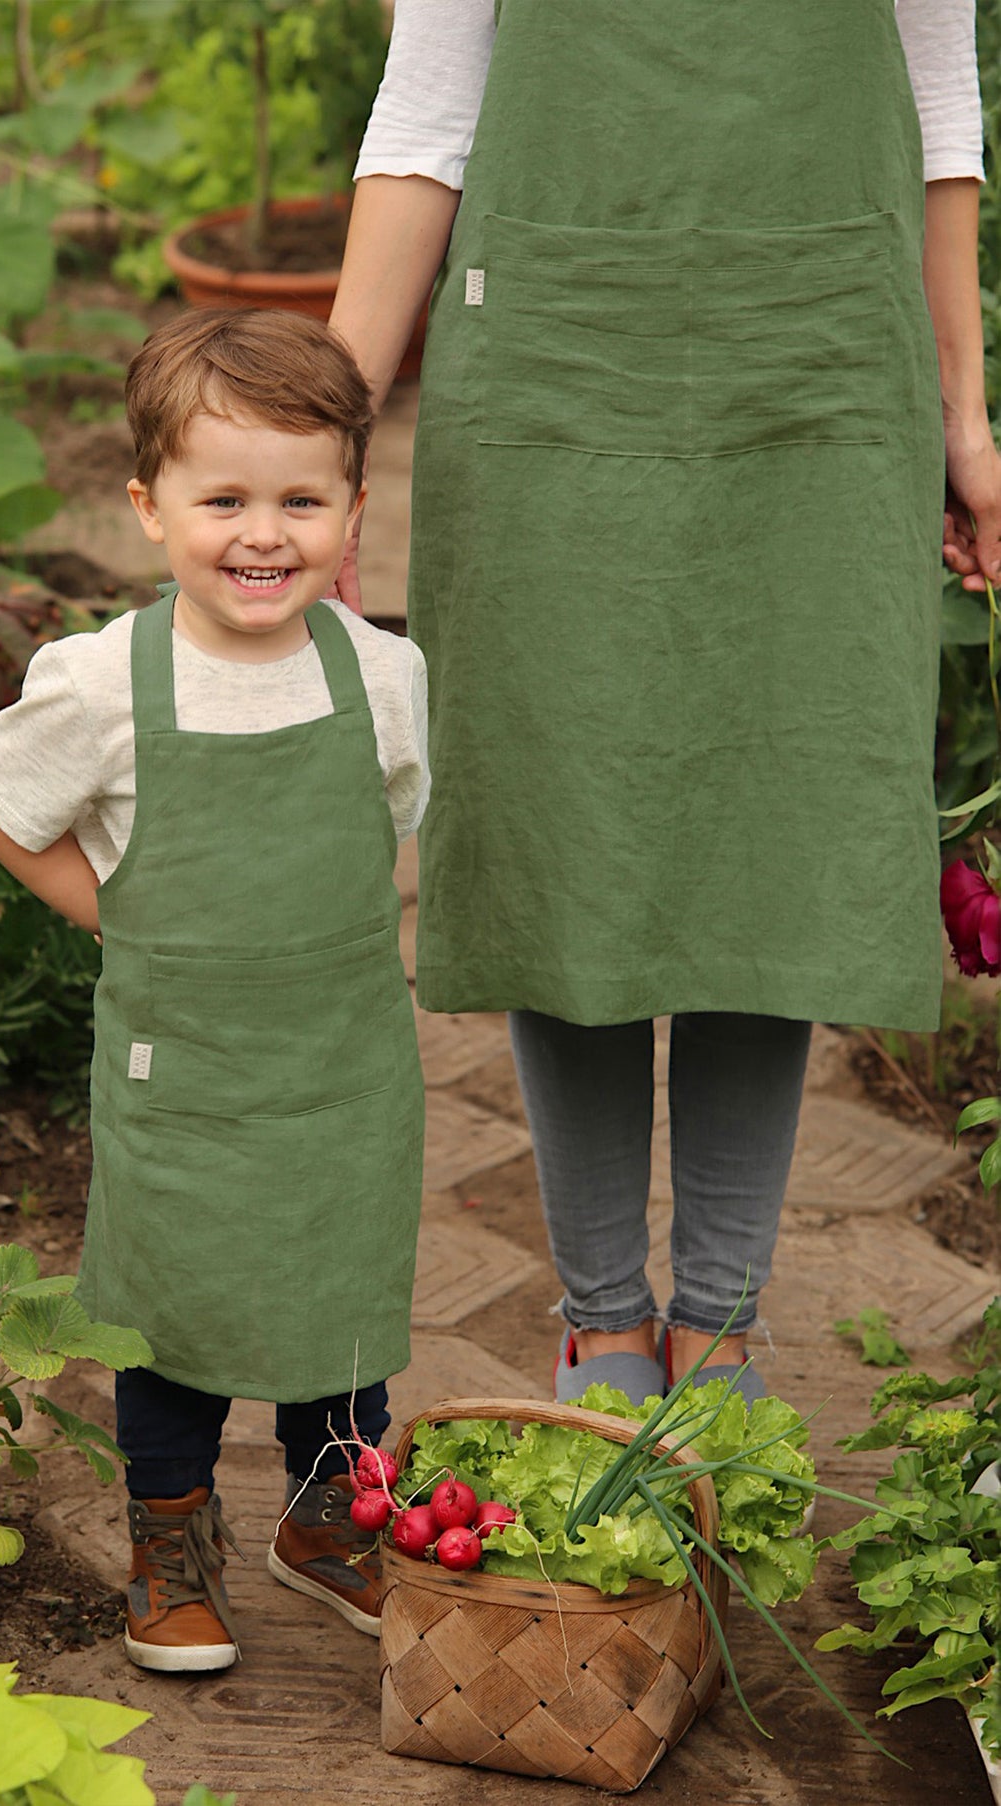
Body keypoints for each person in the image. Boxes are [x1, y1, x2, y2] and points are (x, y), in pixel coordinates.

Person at [329, 1, 1001, 1406]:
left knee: (769, 836)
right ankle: (601, 1322)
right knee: (564, 823)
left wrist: (961, 414)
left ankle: (719, 1323)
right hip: (555, 371)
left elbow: (938, 109)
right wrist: (323, 434)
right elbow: (426, 116)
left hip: (815, 380)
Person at [0, 309, 428, 1673]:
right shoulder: (105, 682)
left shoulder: (382, 677)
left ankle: (326, 1507)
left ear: (350, 507)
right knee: (169, 1310)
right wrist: (119, 911)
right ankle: (169, 1531)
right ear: (147, 507)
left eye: (301, 498)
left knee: (337, 1286)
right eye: (222, 498)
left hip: (341, 1059)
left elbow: (390, 816)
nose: (261, 533)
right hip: (186, 1068)